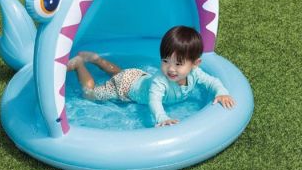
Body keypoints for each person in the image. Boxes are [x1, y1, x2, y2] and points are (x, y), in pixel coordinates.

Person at [67, 25, 235, 127]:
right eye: (165, 61)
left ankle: (96, 59)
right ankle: (79, 64)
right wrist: (162, 118)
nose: (170, 69)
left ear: (195, 64)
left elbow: (212, 81)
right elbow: (154, 101)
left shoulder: (195, 73)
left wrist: (221, 92)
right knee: (90, 94)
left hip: (137, 76)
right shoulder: (160, 81)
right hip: (125, 87)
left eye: (178, 64)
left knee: (119, 73)